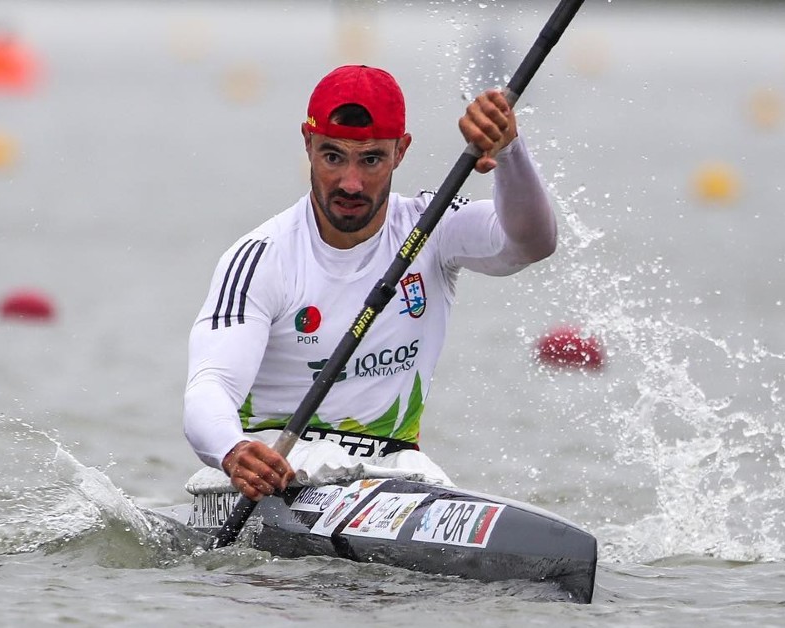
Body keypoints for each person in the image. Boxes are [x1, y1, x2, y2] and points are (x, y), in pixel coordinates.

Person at [182, 65, 556, 501]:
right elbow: (211, 384)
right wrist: (233, 450)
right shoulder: (263, 257)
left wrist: (509, 150)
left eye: (371, 159)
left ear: (401, 151)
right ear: (308, 142)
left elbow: (531, 243)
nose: (351, 182)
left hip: (394, 470)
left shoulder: (432, 228)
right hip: (279, 472)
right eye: (333, 156)